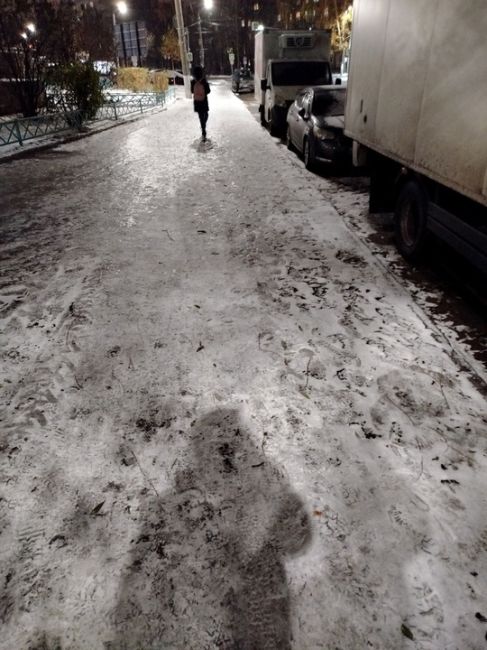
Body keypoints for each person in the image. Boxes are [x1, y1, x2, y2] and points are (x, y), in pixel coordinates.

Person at [191, 65, 211, 142]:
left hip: (197, 101)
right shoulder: (204, 81)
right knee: (206, 114)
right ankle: (203, 127)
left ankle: (203, 129)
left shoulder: (193, 82)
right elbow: (208, 91)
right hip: (204, 101)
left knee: (200, 116)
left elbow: (192, 91)